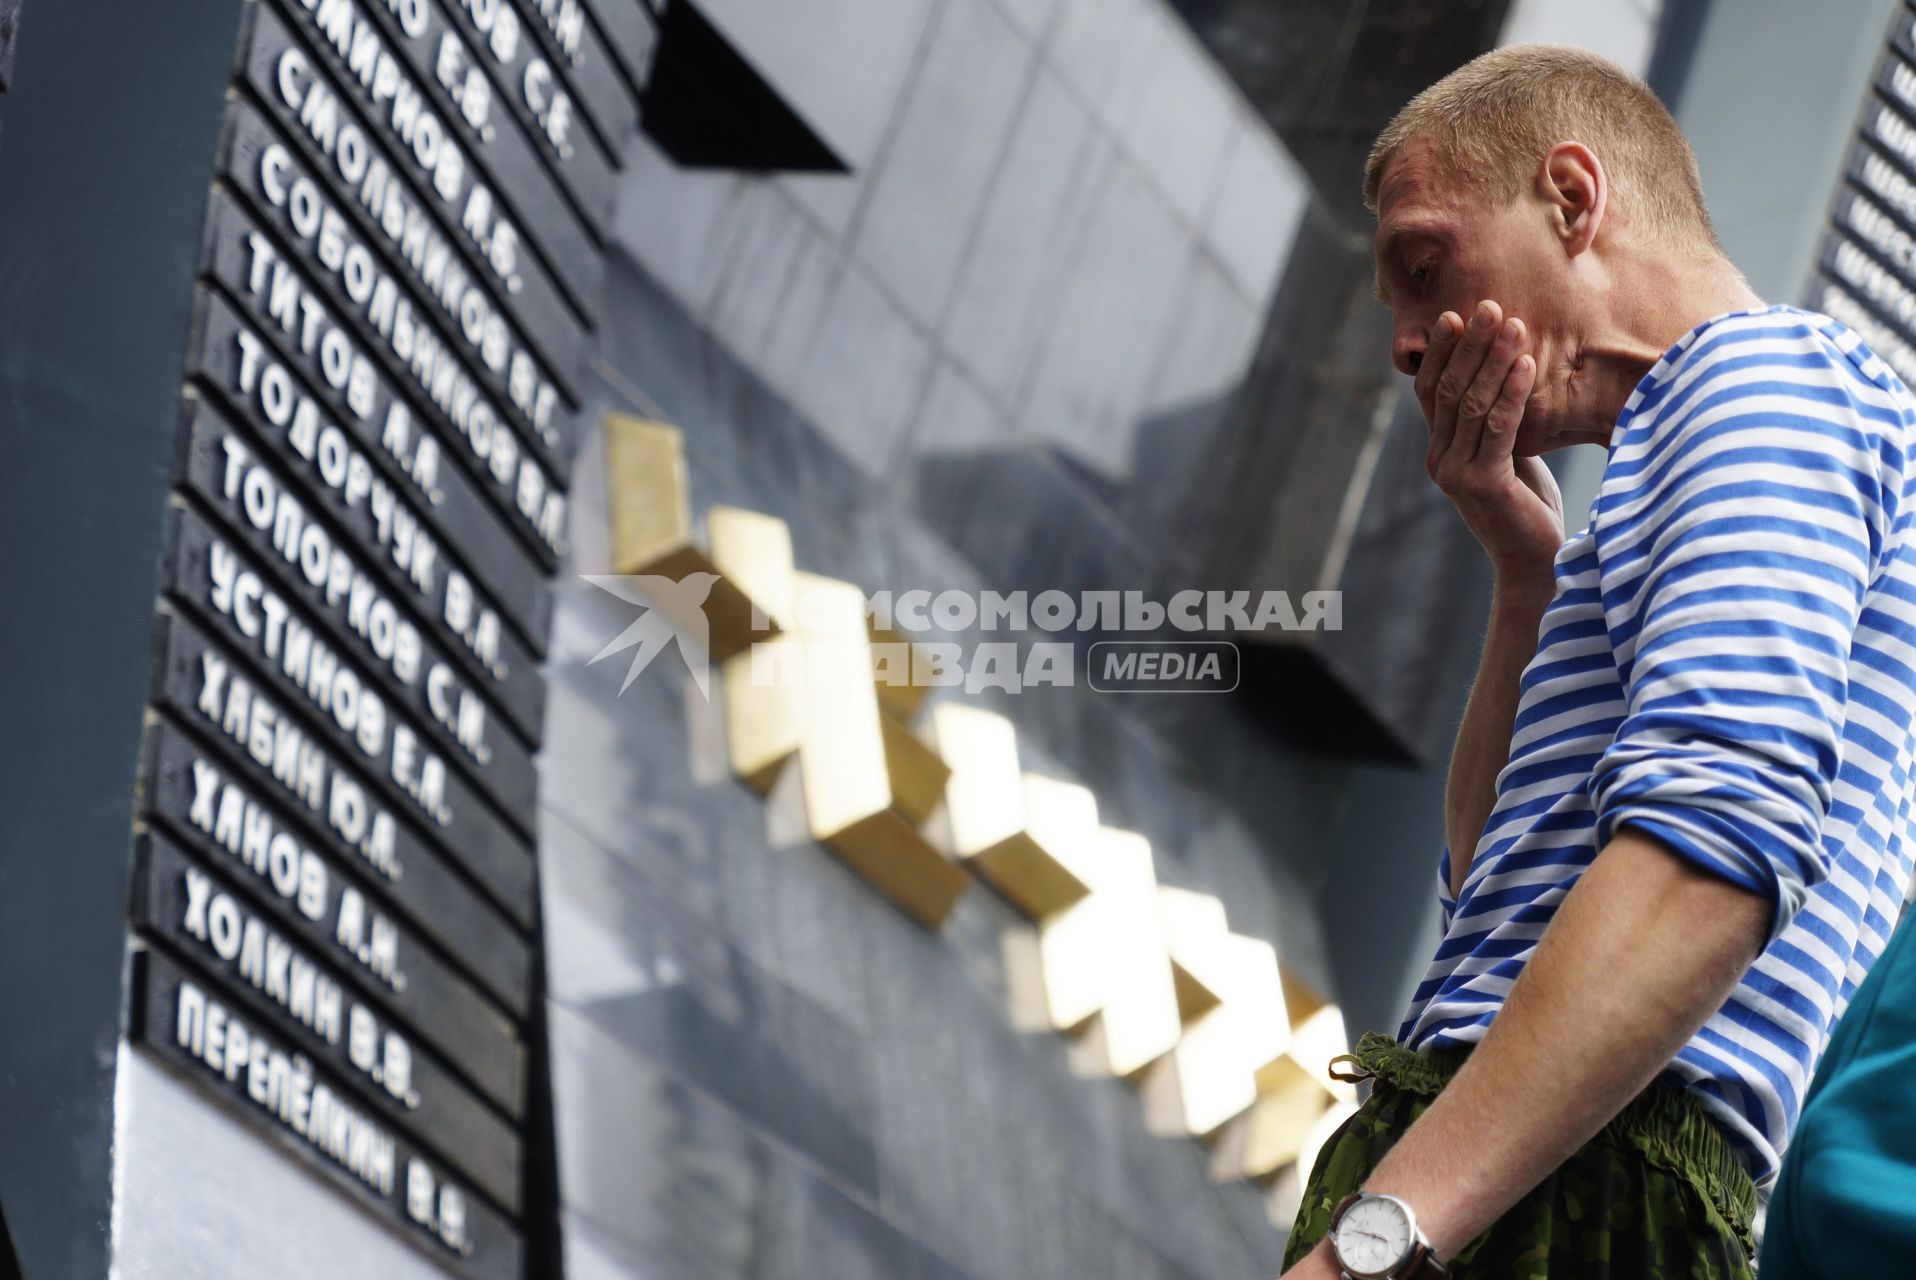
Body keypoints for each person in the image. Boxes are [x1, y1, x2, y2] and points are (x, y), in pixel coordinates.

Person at [1279, 42, 1916, 1280]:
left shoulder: (1758, 376)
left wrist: (1377, 1244)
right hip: (1539, 1147)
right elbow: (1483, 896)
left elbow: (1715, 845)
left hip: (1570, 1173)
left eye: (1424, 263)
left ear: (1570, 199)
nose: (1409, 343)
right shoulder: (1676, 454)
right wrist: (1525, 575)